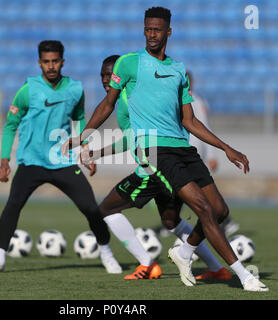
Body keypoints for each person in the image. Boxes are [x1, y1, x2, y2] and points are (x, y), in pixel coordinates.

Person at [62, 7, 268, 292]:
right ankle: (244, 276)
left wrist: (226, 148)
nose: (151, 35)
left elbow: (190, 120)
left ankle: (184, 253)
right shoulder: (128, 64)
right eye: (147, 29)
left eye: (157, 30)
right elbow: (107, 104)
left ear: (168, 32)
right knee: (203, 209)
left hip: (182, 148)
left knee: (219, 210)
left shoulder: (178, 70)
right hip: (155, 151)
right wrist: (82, 137)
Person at [0, 40, 122, 275]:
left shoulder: (75, 89)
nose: (51, 66)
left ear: (62, 61)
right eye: (46, 62)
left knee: (90, 207)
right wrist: (5, 160)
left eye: (55, 61)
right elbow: (10, 125)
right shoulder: (28, 89)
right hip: (31, 161)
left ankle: (106, 252)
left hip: (62, 161)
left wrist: (85, 151)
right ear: (39, 63)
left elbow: (79, 122)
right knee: (13, 206)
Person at [92, 55, 232, 281]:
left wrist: (96, 152)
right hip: (167, 162)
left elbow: (130, 140)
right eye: (103, 75)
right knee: (171, 221)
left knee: (106, 209)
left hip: (153, 167)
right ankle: (216, 268)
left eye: (111, 74)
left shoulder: (128, 99)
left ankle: (147, 264)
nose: (107, 79)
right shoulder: (135, 97)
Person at [157, 71, 239, 238]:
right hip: (180, 153)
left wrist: (212, 155)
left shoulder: (196, 101)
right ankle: (172, 223)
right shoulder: (174, 99)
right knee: (184, 193)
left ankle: (222, 224)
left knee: (195, 196)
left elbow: (204, 126)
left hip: (192, 155)